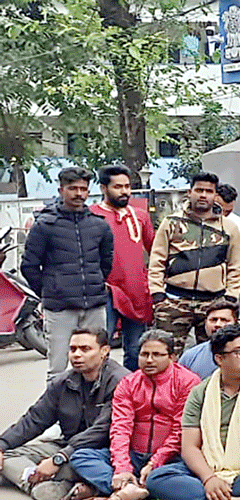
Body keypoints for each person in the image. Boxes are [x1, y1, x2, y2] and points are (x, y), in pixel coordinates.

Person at [145, 324, 240, 500]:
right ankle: (229, 496)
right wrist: (209, 479)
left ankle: (217, 495)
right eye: (239, 351)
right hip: (212, 466)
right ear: (219, 359)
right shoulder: (201, 391)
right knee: (157, 478)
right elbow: (190, 447)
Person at [68, 330, 202, 500]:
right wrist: (122, 467)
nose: (150, 360)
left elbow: (180, 430)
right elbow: (120, 427)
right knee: (81, 456)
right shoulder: (128, 383)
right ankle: (130, 488)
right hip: (134, 455)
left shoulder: (188, 382)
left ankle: (122, 490)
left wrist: (155, 462)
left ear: (172, 357)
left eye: (157, 354)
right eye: (144, 354)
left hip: (172, 459)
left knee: (163, 478)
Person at [0, 328, 129, 500]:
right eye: (73, 349)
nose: (76, 355)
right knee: (8, 456)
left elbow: (102, 430)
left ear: (104, 351)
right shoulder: (62, 382)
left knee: (75, 466)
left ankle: (47, 482)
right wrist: (2, 445)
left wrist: (59, 459)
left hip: (100, 453)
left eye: (85, 349)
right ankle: (40, 483)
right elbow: (34, 419)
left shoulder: (121, 382)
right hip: (66, 445)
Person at [22, 167, 114, 377]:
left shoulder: (99, 226)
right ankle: (56, 410)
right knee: (58, 368)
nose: (79, 194)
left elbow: (106, 263)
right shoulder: (45, 225)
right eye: (73, 188)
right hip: (60, 308)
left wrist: (95, 282)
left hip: (94, 305)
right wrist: (51, 289)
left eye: (83, 189)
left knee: (98, 365)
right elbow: (29, 266)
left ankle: (97, 408)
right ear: (61, 190)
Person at [149, 171, 240, 355]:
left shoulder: (229, 227)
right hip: (174, 301)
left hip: (213, 304)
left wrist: (230, 298)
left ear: (215, 195)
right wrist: (158, 295)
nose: (203, 195)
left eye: (208, 191)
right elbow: (156, 261)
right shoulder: (171, 223)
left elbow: (236, 265)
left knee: (215, 357)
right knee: (165, 356)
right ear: (189, 192)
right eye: (199, 190)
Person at [89, 165, 154, 372]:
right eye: (118, 187)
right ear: (103, 188)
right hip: (105, 291)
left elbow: (155, 250)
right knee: (100, 346)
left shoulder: (140, 216)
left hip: (136, 292)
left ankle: (133, 391)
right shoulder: (92, 216)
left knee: (135, 349)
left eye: (127, 186)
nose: (124, 191)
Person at [179, 300, 240, 380]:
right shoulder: (190, 357)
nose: (218, 324)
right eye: (213, 320)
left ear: (235, 323)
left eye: (224, 320)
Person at [216, 183, 240, 285]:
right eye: (220, 210)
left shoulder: (238, 224)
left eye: (228, 211)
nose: (223, 215)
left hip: (229, 284)